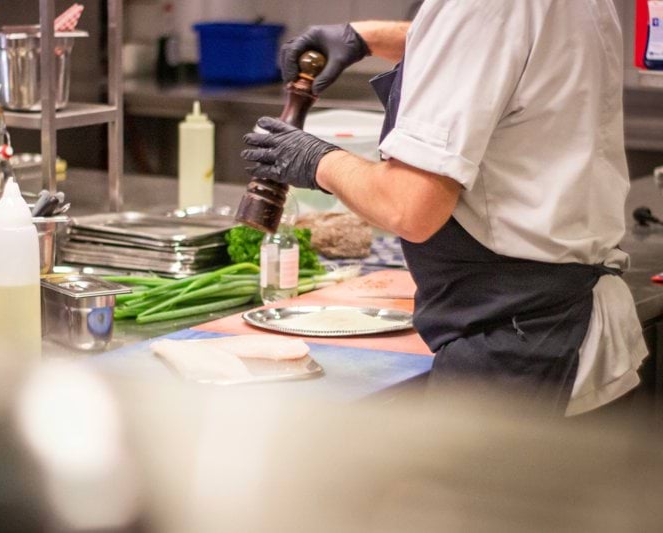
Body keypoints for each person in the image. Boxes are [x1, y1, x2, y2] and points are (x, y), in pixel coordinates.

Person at [241, 0, 648, 416]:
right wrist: (366, 39)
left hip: (517, 346)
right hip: (563, 327)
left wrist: (318, 161)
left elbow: (409, 207)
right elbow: (497, 47)